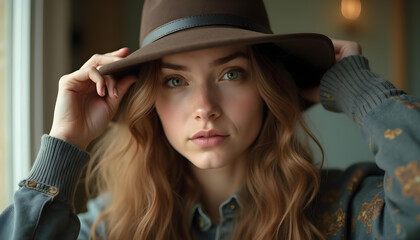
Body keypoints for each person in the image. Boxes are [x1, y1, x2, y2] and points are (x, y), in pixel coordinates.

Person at [1, 0, 420, 239]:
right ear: (151, 101)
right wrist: (64, 144)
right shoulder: (112, 226)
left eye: (230, 73)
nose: (205, 105)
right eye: (175, 80)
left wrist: (361, 91)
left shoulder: (341, 208)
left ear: (267, 88)